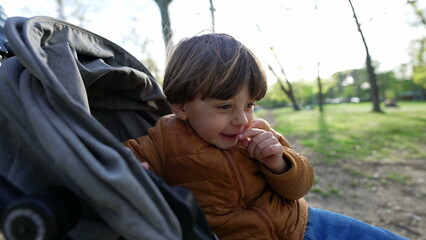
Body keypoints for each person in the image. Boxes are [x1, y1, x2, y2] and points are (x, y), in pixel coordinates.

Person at [124, 33, 408, 240]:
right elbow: (113, 162)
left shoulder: (258, 130)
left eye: (249, 105)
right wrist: (134, 173)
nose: (241, 119)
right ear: (181, 106)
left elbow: (300, 187)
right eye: (224, 106)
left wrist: (279, 163)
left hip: (303, 226)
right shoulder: (162, 142)